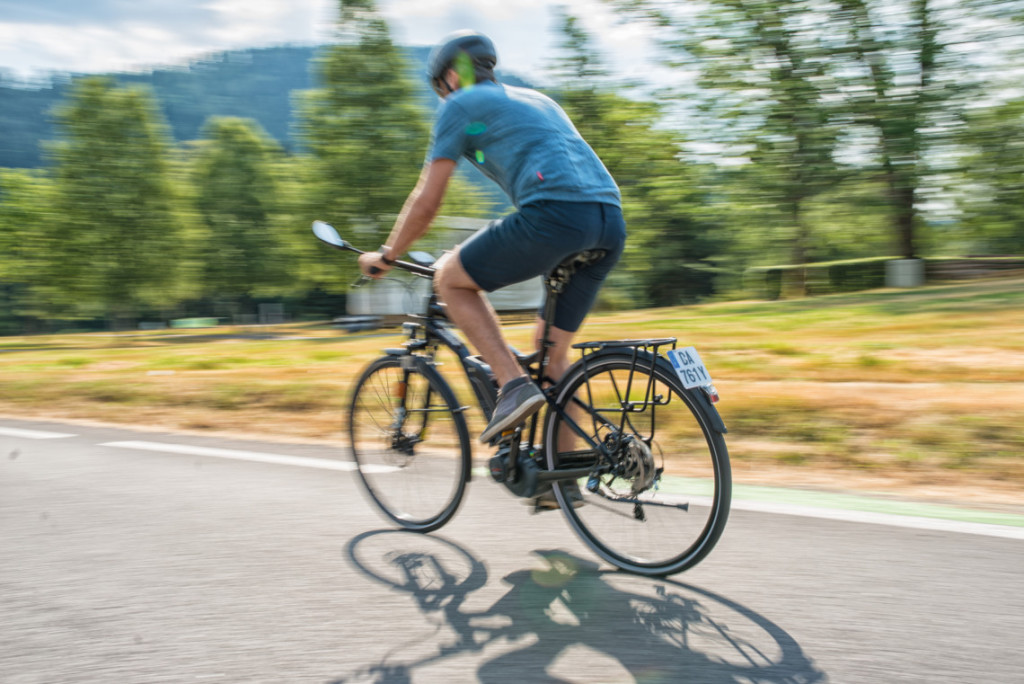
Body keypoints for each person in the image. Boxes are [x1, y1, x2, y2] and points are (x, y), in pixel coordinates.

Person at [358, 29, 626, 444]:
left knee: (450, 279)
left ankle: (512, 385)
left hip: (554, 216)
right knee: (552, 353)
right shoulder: (538, 98)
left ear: (449, 77)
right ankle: (562, 479)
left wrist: (389, 253)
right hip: (609, 221)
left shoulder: (459, 104)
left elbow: (427, 201)